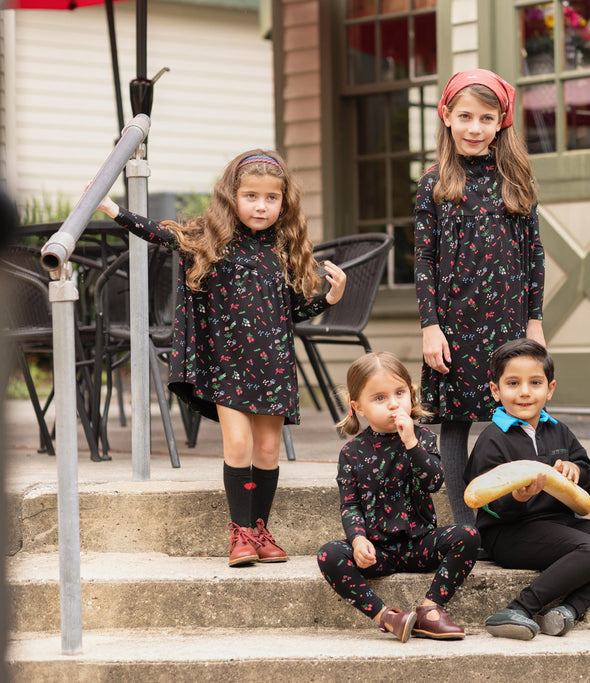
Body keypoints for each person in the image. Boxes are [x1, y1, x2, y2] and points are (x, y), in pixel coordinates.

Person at [94, 150, 347, 567]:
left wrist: (328, 298)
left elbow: (291, 311)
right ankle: (241, 533)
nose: (261, 206)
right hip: (228, 364)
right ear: (233, 196)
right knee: (239, 443)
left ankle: (260, 529)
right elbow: (160, 233)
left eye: (271, 198)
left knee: (267, 452)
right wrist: (114, 209)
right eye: (251, 196)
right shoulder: (212, 240)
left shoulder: (284, 249)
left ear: (284, 202)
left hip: (275, 365)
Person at [415, 69, 546, 527]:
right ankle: (464, 526)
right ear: (446, 116)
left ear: (501, 122)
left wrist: (535, 321)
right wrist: (430, 326)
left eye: (486, 118)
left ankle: (509, 516)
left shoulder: (517, 181)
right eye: (465, 116)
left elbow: (534, 256)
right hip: (455, 322)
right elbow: (424, 261)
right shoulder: (433, 184)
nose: (475, 128)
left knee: (513, 412)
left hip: (508, 320)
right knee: (455, 420)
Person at [464, 339, 590, 640]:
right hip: (509, 533)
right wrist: (518, 498)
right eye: (513, 383)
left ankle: (568, 611)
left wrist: (578, 472)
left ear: (550, 388)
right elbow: (485, 501)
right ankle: (517, 609)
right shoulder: (493, 438)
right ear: (496, 390)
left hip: (559, 525)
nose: (524, 392)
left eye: (535, 383)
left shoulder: (558, 430)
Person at [317, 352, 480, 642]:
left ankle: (431, 611)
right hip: (377, 550)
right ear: (359, 407)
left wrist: (411, 443)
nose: (393, 403)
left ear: (412, 395)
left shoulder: (424, 438)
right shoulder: (352, 453)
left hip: (420, 544)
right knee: (329, 554)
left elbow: (434, 482)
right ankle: (389, 618)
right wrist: (358, 540)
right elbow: (350, 504)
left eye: (400, 393)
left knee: (468, 535)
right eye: (379, 398)